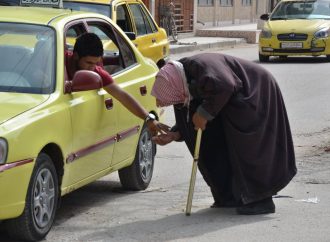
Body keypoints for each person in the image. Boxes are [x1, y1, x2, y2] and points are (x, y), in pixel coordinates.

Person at [151, 53, 297, 215]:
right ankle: (229, 196)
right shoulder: (181, 79)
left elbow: (225, 85)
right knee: (212, 141)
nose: (178, 102)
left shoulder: (200, 66)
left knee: (249, 147)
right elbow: (190, 112)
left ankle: (261, 200)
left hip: (254, 92)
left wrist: (204, 113)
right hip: (229, 101)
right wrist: (175, 134)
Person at [65, 32, 160, 134]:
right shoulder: (59, 62)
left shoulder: (97, 72)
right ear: (75, 56)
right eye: (88, 63)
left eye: (95, 63)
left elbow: (122, 96)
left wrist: (148, 119)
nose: (92, 68)